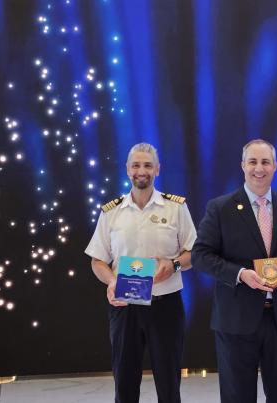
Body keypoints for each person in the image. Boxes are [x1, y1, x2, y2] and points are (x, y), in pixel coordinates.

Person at [192, 139, 277, 403]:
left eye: (265, 162)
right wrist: (240, 274)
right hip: (236, 320)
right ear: (243, 165)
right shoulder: (220, 208)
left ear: (275, 166)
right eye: (253, 162)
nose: (259, 168)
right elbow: (200, 256)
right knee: (237, 397)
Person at [85, 142, 196, 403]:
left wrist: (174, 265)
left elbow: (194, 253)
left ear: (157, 170)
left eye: (147, 165)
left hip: (165, 305)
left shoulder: (175, 208)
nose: (141, 170)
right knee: (124, 383)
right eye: (136, 165)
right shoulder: (111, 212)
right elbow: (97, 261)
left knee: (169, 384)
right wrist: (112, 281)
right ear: (127, 170)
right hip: (125, 307)